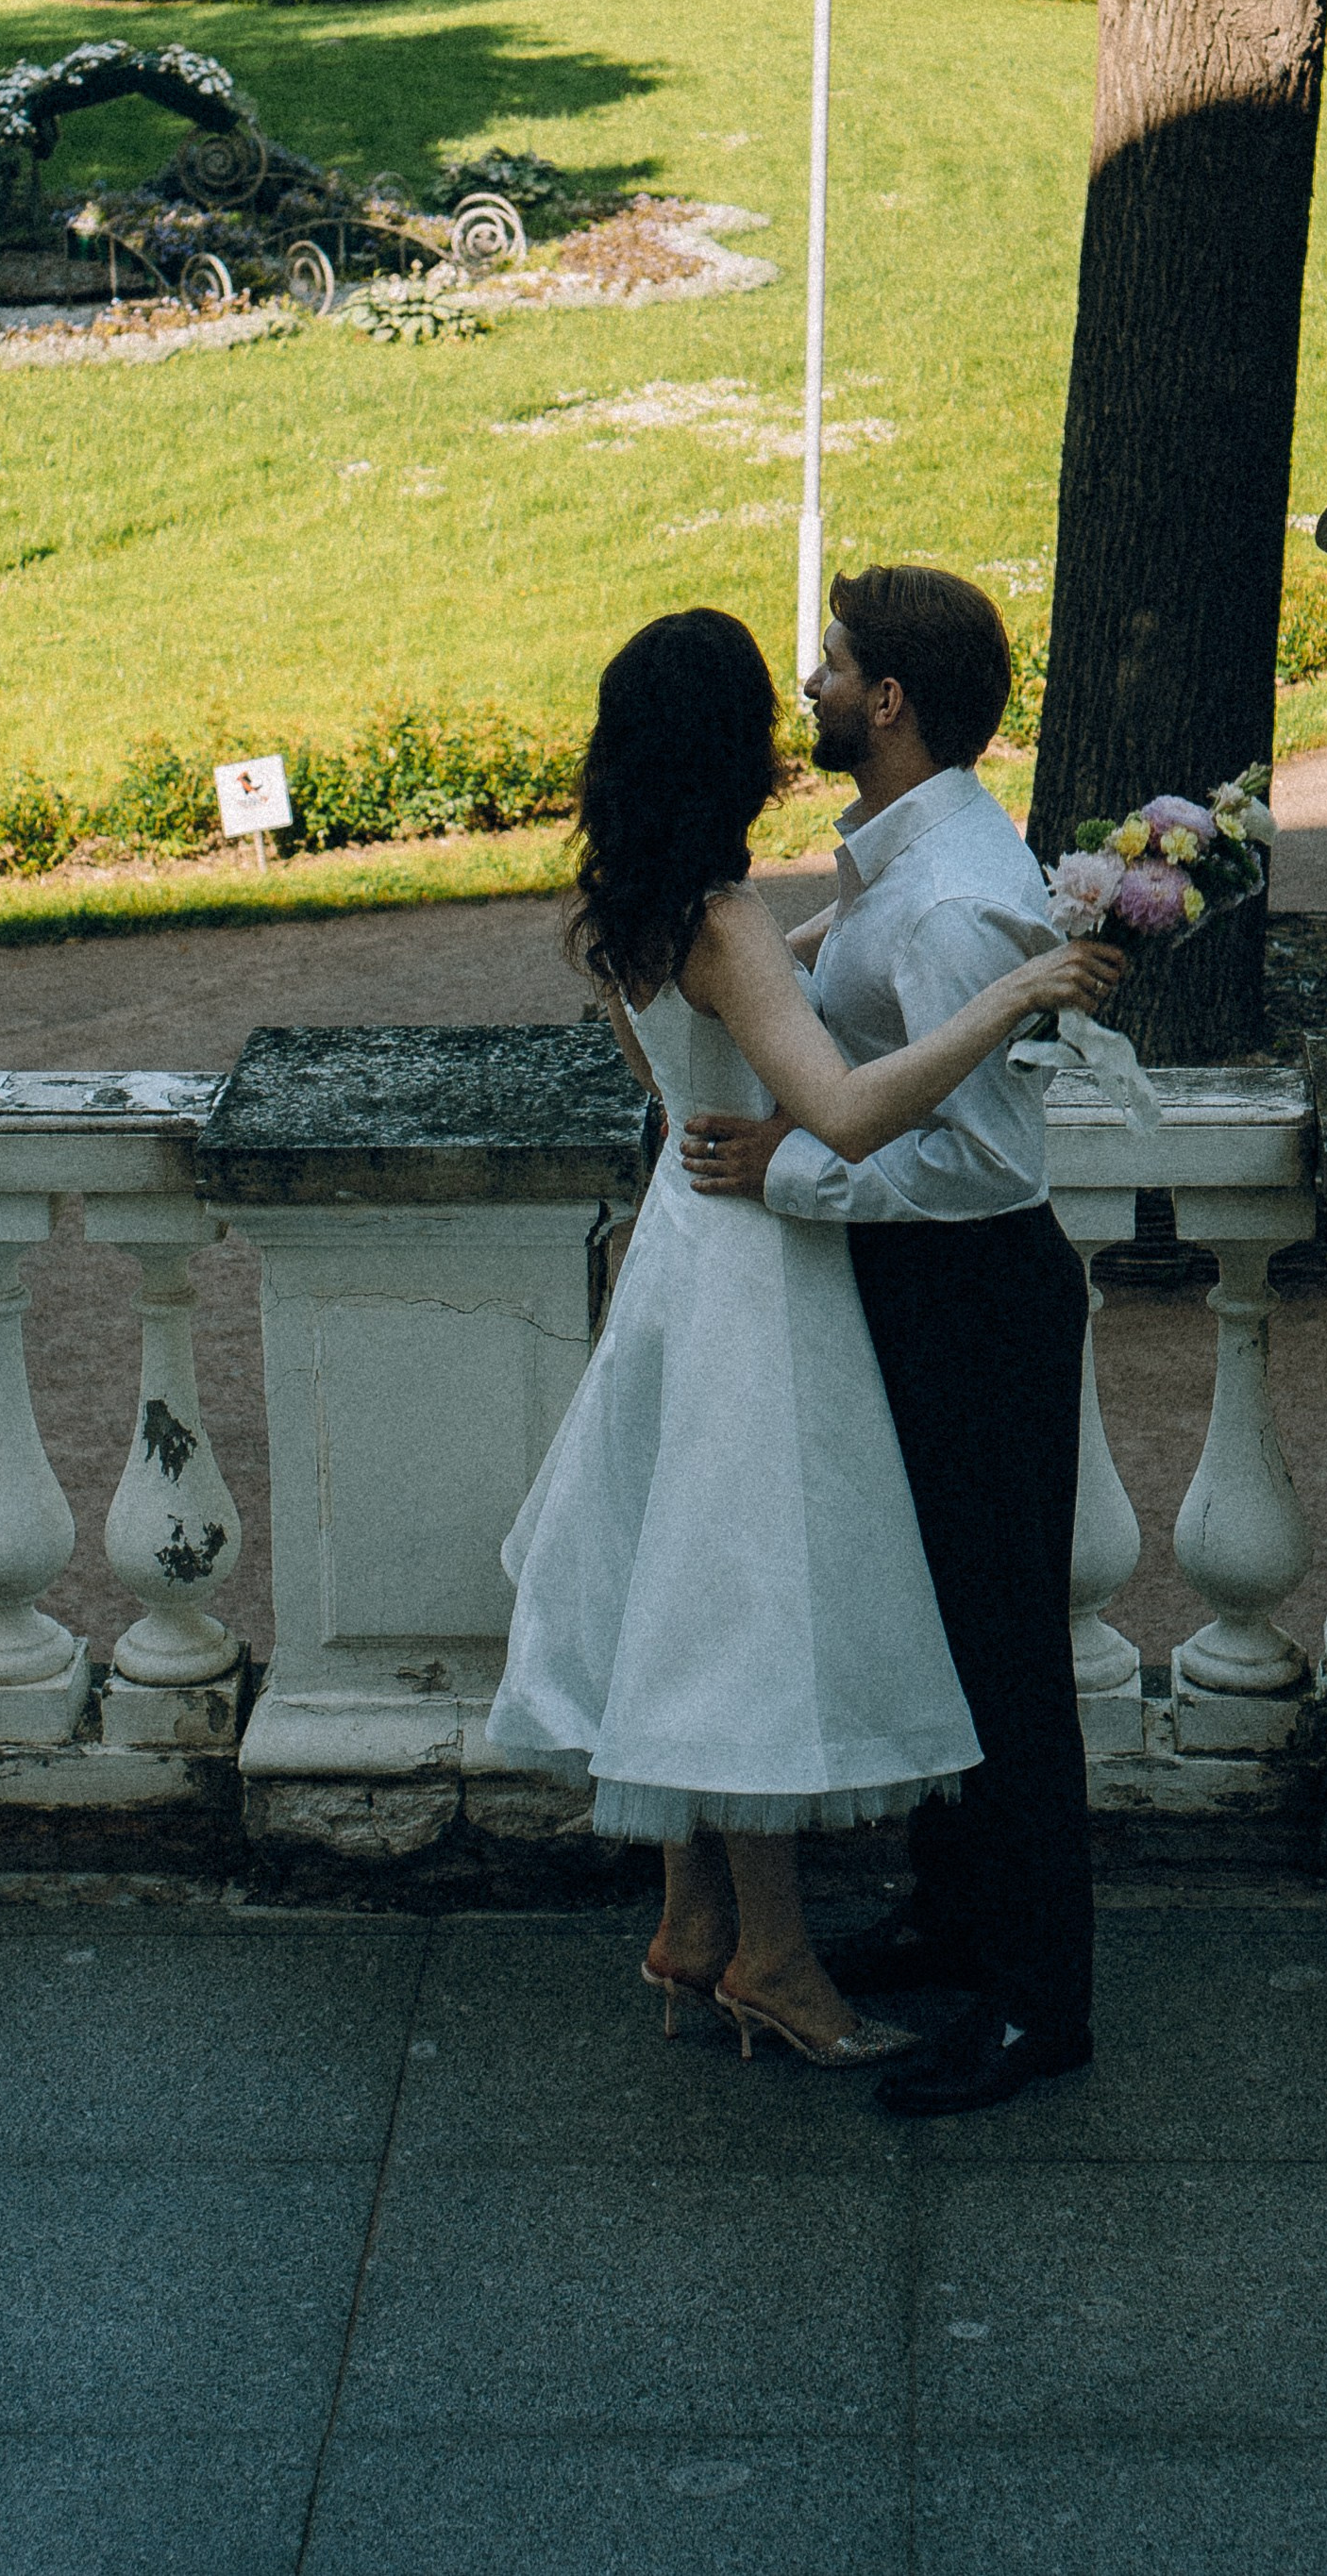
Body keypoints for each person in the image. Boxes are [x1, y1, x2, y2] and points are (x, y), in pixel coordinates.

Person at [487, 608, 1119, 2069]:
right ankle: (769, 1954)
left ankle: (710, 1931)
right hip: (768, 1272)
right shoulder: (732, 918)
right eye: (785, 689)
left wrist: (826, 941)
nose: (805, 699)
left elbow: (716, 1057)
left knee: (695, 1598)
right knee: (755, 1614)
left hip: (692, 1268)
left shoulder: (636, 906)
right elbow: (834, 1114)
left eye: (824, 672)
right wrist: (1024, 992)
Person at [682, 562, 1100, 2114]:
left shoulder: (950, 899)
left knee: (1002, 1655)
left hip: (976, 1299)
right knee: (941, 1625)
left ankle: (1039, 2004)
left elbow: (993, 1160)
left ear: (893, 701)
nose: (811, 680)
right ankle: (954, 1912)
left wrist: (787, 1170)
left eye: (835, 661)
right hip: (927, 1291)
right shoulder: (900, 861)